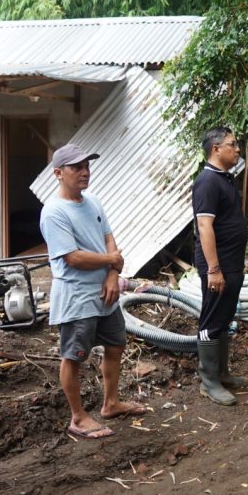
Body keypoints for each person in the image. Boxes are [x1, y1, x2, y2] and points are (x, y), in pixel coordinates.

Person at [39, 143, 146, 439]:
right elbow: (71, 257)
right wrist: (111, 261)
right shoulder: (54, 212)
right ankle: (77, 417)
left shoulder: (93, 201)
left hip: (106, 293)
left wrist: (113, 273)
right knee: (74, 356)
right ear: (59, 173)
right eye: (77, 168)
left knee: (115, 345)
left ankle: (110, 403)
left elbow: (109, 239)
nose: (85, 172)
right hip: (77, 296)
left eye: (87, 166)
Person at [192, 127, 248, 405]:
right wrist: (214, 269)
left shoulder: (225, 179)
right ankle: (209, 381)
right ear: (216, 148)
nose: (237, 149)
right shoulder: (207, 182)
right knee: (211, 321)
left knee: (225, 319)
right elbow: (205, 226)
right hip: (218, 265)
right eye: (232, 144)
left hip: (231, 262)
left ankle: (222, 373)